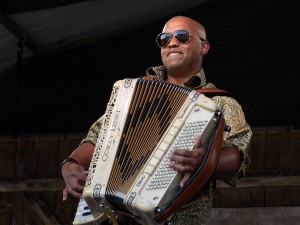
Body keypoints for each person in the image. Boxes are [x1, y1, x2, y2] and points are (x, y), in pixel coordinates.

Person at [60, 15, 252, 225]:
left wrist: (207, 161)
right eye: (164, 38)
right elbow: (98, 137)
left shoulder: (220, 102)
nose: (172, 42)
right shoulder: (131, 93)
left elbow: (237, 155)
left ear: (204, 46)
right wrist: (69, 166)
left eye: (182, 36)